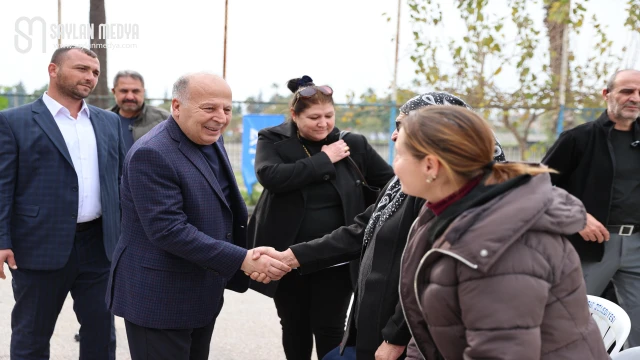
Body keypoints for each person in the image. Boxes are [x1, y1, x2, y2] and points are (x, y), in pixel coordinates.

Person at [251, 92, 506, 360]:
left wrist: (396, 337)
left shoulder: (451, 195)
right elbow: (361, 229)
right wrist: (293, 256)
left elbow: (430, 278)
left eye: (402, 126)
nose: (394, 136)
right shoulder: (403, 184)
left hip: (402, 339)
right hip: (373, 327)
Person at [394, 106, 608, 359]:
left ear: (430, 165)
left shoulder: (500, 245)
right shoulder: (444, 213)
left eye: (399, 155)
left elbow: (501, 352)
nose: (394, 164)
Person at [106, 72, 290, 360]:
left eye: (227, 109)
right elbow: (169, 231)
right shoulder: (152, 153)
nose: (220, 117)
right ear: (177, 107)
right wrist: (242, 260)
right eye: (209, 108)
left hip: (201, 292)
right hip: (159, 300)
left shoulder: (209, 138)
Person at [247, 75, 395, 360]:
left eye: (329, 115)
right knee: (294, 324)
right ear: (294, 115)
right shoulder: (273, 139)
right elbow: (271, 176)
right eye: (314, 117)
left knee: (330, 326)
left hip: (335, 256)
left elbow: (390, 185)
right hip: (286, 254)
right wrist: (324, 159)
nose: (323, 123)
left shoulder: (352, 143)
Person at [0, 46, 124, 359]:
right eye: (82, 68)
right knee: (31, 337)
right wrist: (2, 239)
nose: (90, 77)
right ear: (53, 70)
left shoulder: (109, 123)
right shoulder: (13, 122)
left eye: (94, 72)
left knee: (101, 337)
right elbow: (2, 186)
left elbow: (121, 183)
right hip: (38, 246)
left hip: (99, 247)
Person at [542, 68, 640, 346]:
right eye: (627, 91)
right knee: (566, 322)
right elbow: (538, 187)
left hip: (637, 247)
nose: (635, 98)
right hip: (591, 246)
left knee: (638, 330)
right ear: (606, 94)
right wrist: (577, 217)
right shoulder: (578, 139)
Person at [109, 70, 169, 152]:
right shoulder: (101, 120)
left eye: (135, 91)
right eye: (124, 91)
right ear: (114, 92)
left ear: (143, 92)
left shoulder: (164, 119)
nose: (130, 97)